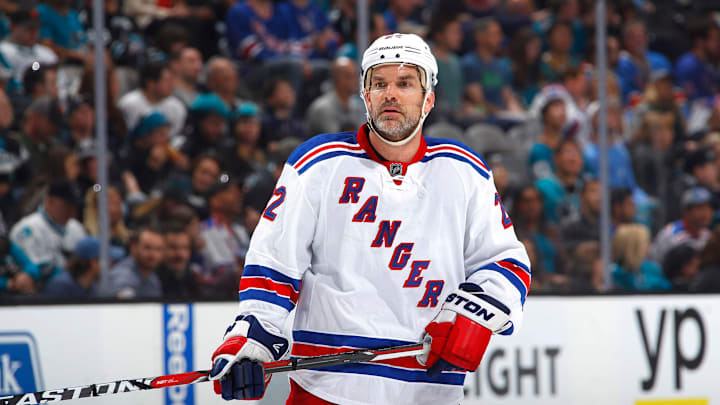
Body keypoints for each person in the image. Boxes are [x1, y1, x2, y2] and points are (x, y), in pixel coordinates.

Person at [209, 33, 530, 404]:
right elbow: (274, 266)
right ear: (366, 96)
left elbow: (505, 261)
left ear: (428, 99)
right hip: (329, 390)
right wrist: (252, 340)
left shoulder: (464, 170)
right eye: (380, 83)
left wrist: (472, 314)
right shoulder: (318, 164)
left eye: (405, 83)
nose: (390, 93)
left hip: (428, 391)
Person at [108, 226, 165, 299]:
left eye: (158, 249)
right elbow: (124, 306)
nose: (153, 255)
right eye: (147, 248)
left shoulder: (153, 278)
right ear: (133, 247)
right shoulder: (123, 274)